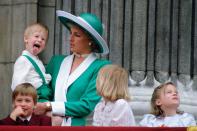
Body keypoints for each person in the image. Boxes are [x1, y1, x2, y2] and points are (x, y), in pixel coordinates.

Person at [34, 10, 110, 126]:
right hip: (49, 124)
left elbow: (87, 105)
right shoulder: (56, 61)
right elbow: (43, 91)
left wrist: (49, 106)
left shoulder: (101, 67)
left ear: (91, 41)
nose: (70, 38)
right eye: (71, 33)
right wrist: (44, 107)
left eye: (77, 35)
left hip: (78, 126)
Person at [11, 23, 52, 102]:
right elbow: (16, 85)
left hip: (42, 97)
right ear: (26, 39)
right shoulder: (23, 60)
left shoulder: (37, 61)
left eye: (43, 39)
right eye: (36, 36)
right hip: (33, 98)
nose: (39, 40)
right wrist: (22, 102)